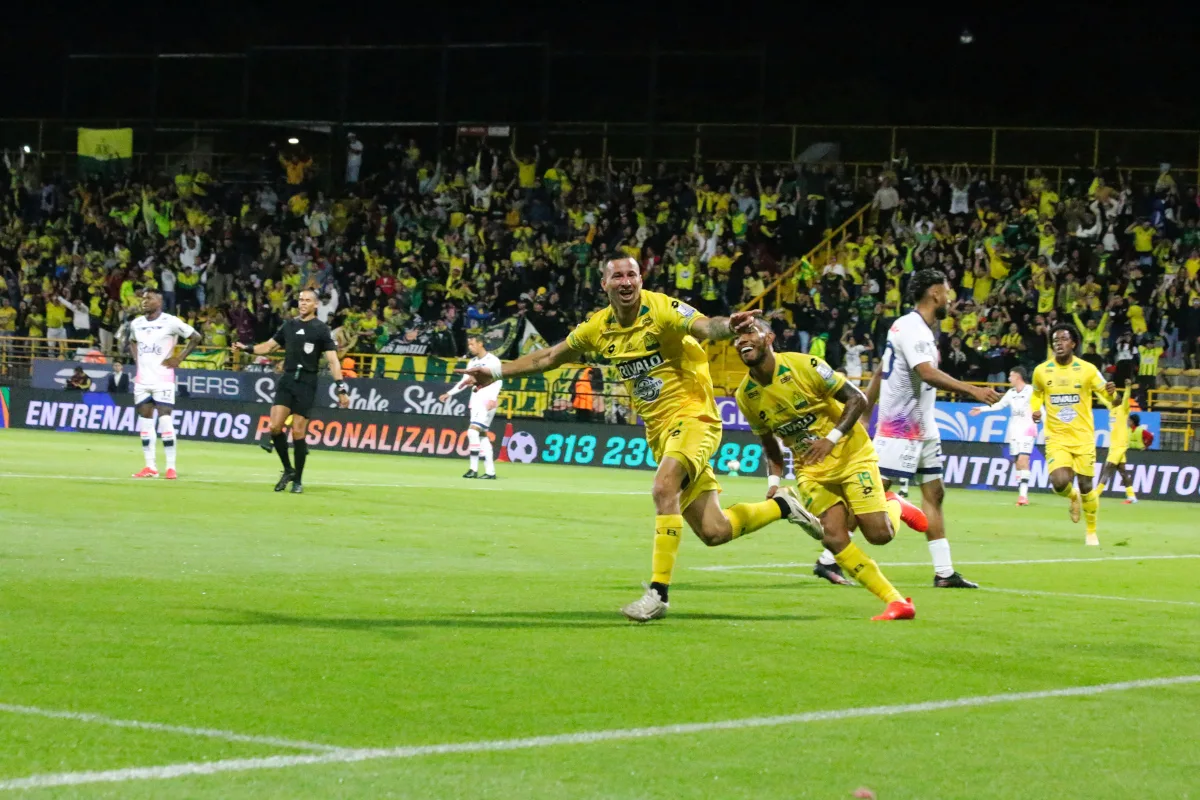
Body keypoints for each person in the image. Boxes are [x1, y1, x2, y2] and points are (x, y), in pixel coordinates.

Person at [457, 257, 822, 623]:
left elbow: (706, 326)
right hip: (660, 432)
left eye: (632, 274)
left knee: (664, 487)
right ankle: (784, 508)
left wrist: (730, 326)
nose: (626, 281)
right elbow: (551, 356)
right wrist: (496, 370)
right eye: (618, 276)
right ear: (605, 285)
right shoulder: (598, 327)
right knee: (714, 531)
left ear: (641, 278)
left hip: (695, 417)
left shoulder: (662, 308)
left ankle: (658, 594)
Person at [734, 319, 914, 620]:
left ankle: (894, 504)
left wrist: (830, 439)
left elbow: (858, 399)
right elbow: (769, 443)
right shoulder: (745, 395)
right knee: (833, 537)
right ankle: (896, 601)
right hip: (811, 469)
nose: (743, 341)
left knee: (880, 535)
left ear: (769, 338)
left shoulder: (806, 366)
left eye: (750, 332)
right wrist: (774, 481)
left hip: (851, 454)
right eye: (737, 338)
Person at [865, 269, 1001, 588]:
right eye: (948, 291)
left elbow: (883, 368)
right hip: (900, 428)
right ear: (935, 294)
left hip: (923, 427)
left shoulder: (919, 328)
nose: (951, 297)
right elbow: (926, 373)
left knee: (935, 493)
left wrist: (867, 405)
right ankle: (828, 559)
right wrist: (974, 390)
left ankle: (944, 572)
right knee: (870, 495)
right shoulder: (913, 328)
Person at [233, 289, 351, 494]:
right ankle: (288, 469)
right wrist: (247, 348)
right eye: (300, 300)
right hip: (287, 380)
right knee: (275, 426)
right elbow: (269, 347)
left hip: (307, 381)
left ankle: (298, 480)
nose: (302, 304)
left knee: (298, 431)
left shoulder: (321, 329)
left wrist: (340, 387)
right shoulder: (289, 325)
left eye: (307, 301)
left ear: (315, 305)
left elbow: (332, 360)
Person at [1030, 323, 1116, 546]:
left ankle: (1091, 531)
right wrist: (1035, 409)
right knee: (1059, 482)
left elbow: (1108, 396)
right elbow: (1037, 394)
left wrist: (1114, 397)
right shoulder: (1041, 371)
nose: (1059, 344)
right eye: (1055, 341)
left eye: (1063, 339)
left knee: (1087, 486)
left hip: (1084, 438)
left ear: (1073, 343)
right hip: (1057, 437)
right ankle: (1071, 496)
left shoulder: (1087, 369)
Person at [128, 290, 202, 480]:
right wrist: (138, 362)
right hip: (142, 380)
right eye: (143, 298)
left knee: (164, 420)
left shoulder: (171, 321)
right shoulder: (136, 323)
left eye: (149, 298)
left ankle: (171, 467)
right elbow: (132, 342)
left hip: (163, 378)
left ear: (159, 302)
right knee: (145, 422)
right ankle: (150, 466)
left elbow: (196, 337)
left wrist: (179, 358)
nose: (144, 301)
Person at [969, 367, 1036, 505]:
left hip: (1028, 429)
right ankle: (1021, 494)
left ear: (1018, 376)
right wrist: (981, 409)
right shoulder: (1011, 393)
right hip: (1014, 430)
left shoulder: (1030, 390)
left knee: (1023, 460)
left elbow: (1040, 408)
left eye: (1011, 376)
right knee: (1017, 462)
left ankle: (1023, 496)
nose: (1009, 379)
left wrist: (1047, 427)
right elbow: (999, 406)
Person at [440, 334, 502, 479]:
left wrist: (493, 398)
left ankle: (473, 469)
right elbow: (464, 381)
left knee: (472, 432)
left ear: (481, 344)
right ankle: (490, 472)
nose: (470, 347)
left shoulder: (492, 361)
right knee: (482, 435)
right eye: (469, 345)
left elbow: (499, 380)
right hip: (476, 400)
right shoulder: (472, 362)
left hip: (487, 401)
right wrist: (449, 393)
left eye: (472, 344)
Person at [1097, 383, 1137, 505]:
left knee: (1107, 468)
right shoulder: (1111, 408)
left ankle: (1095, 494)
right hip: (1114, 446)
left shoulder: (1123, 409)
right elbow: (1102, 399)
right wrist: (1094, 389)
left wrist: (1128, 387)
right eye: (1114, 396)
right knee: (1123, 471)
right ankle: (1132, 496)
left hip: (1120, 446)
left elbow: (1126, 397)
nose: (1116, 397)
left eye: (1117, 396)